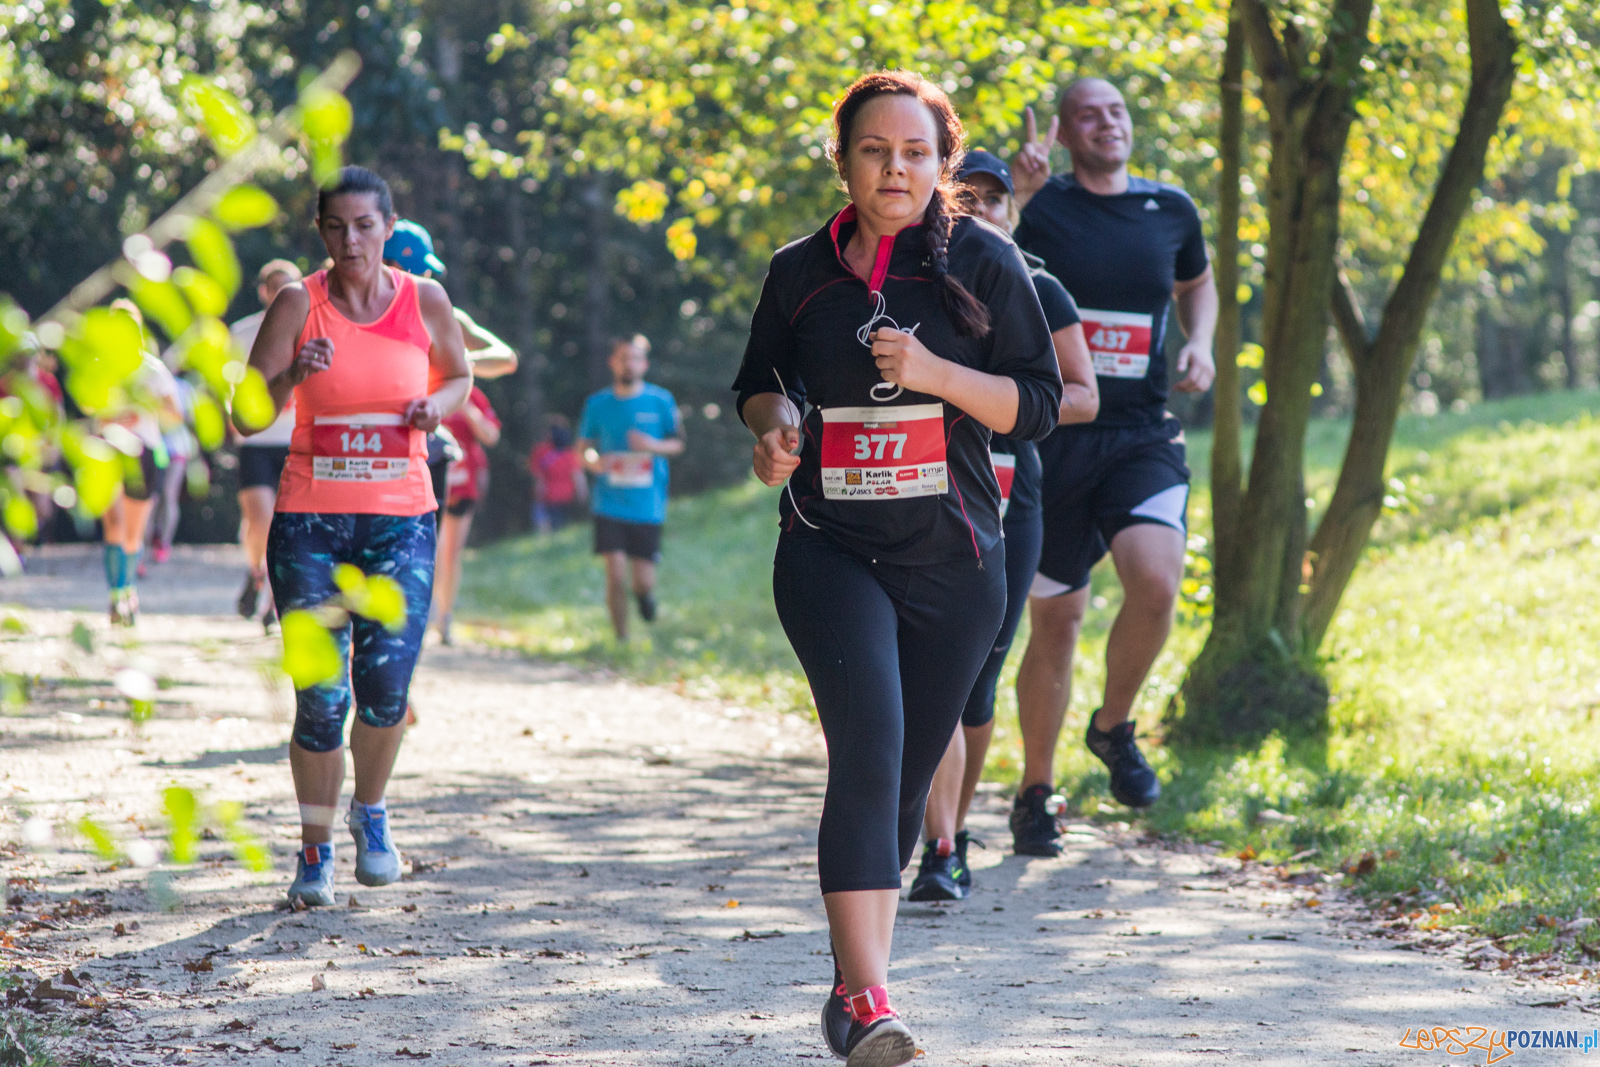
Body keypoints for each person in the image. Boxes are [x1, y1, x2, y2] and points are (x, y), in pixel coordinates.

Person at [733, 72, 1061, 1065]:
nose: (894, 169)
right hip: (830, 548)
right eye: (874, 150)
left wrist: (931, 374)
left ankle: (849, 991)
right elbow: (759, 382)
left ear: (941, 163)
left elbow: (1038, 404)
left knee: (910, 776)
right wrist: (774, 429)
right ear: (842, 162)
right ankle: (871, 1002)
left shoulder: (987, 262)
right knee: (869, 751)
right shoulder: (799, 271)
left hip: (957, 561)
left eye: (915, 152)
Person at [240, 166, 471, 908]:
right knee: (319, 696)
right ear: (321, 231)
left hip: (400, 520)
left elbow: (459, 375)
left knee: (385, 691)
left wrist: (435, 405)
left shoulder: (424, 299)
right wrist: (289, 377)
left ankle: (370, 810)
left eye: (365, 226)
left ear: (388, 228)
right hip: (310, 522)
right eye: (336, 227)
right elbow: (246, 413)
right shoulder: (296, 303)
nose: (351, 241)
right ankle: (315, 850)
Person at [1004, 78, 1218, 852]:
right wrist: (1021, 197)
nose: (1107, 123)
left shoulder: (1171, 209)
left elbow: (1197, 283)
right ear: (1064, 132)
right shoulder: (1043, 205)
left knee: (1157, 581)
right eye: (1089, 115)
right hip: (1057, 436)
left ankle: (1113, 725)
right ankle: (1036, 791)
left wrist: (1201, 342)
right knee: (1057, 621)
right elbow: (988, 255)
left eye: (1117, 111)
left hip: (1139, 433)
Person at [909, 151, 1099, 902]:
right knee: (931, 678)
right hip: (922, 491)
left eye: (996, 198)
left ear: (1014, 210)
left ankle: (951, 834)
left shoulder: (1040, 287)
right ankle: (939, 847)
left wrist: (988, 397)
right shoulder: (914, 282)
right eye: (968, 196)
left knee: (977, 679)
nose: (983, 209)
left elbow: (1080, 395)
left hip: (1011, 497)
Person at [381, 219, 518, 521]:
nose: (426, 277)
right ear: (385, 265)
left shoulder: (443, 316)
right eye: (417, 269)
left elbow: (505, 357)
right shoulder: (350, 313)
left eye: (427, 270)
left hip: (427, 449)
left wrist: (459, 364)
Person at [576, 335, 683, 641]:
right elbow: (583, 449)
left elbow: (678, 443)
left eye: (635, 358)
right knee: (615, 573)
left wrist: (651, 445)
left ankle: (645, 596)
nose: (629, 364)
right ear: (613, 362)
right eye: (623, 358)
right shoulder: (597, 404)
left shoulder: (660, 400)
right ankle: (621, 637)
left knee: (642, 581)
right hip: (609, 501)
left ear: (644, 364)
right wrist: (595, 462)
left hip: (647, 503)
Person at [99, 300, 182, 626]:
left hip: (144, 452)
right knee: (113, 526)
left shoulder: (154, 370)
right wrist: (117, 416)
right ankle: (115, 597)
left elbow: (175, 415)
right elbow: (92, 412)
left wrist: (147, 407)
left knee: (133, 531)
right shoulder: (100, 366)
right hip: (108, 452)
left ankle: (129, 591)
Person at [232, 259, 304, 628]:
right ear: (264, 291)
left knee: (287, 523)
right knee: (259, 519)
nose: (281, 293)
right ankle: (256, 570)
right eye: (275, 286)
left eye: (288, 285)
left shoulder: (309, 328)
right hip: (256, 441)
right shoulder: (242, 333)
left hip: (295, 439)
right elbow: (226, 384)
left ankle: (275, 600)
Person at [432, 384, 500, 645]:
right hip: (430, 481)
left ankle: (445, 617)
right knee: (432, 550)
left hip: (462, 485)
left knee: (451, 553)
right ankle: (426, 614)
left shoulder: (472, 394)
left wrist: (467, 409)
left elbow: (491, 436)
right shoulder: (424, 384)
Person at [529, 416, 584, 533]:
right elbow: (577, 476)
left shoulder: (540, 451)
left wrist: (538, 494)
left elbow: (538, 477)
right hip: (567, 496)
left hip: (548, 497)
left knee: (549, 528)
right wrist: (582, 494)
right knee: (563, 527)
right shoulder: (570, 453)